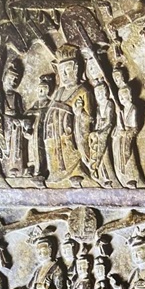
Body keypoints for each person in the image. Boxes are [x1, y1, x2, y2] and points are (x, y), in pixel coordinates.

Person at [44, 44, 93, 187]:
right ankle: (54, 173)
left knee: (71, 155)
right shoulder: (59, 91)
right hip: (53, 135)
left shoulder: (82, 91)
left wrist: (79, 113)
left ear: (76, 69)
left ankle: (77, 173)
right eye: (61, 72)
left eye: (67, 70)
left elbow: (89, 119)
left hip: (69, 134)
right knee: (54, 155)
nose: (64, 75)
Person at [112, 84, 145, 188]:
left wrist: (125, 132)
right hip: (122, 136)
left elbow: (135, 128)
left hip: (128, 136)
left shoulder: (133, 109)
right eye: (120, 97)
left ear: (129, 96)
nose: (121, 99)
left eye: (123, 96)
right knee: (118, 153)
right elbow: (119, 126)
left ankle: (133, 178)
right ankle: (123, 177)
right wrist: (118, 115)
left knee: (128, 155)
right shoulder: (123, 110)